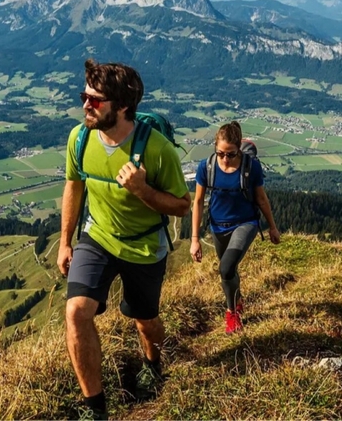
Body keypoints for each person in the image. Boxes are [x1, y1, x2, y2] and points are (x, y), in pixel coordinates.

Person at [58, 59, 190, 420]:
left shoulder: (157, 149)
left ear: (123, 107)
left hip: (144, 245)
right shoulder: (79, 138)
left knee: (145, 321)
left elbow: (181, 206)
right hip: (97, 237)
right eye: (84, 96)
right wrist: (65, 241)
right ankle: (95, 408)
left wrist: (142, 190)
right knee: (76, 312)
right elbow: (74, 185)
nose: (86, 104)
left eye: (95, 100)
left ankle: (153, 364)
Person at [189, 121, 280, 334]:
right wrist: (194, 239)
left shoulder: (251, 167)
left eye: (230, 154)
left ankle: (232, 313)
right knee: (229, 272)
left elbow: (261, 199)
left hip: (245, 223)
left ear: (239, 148)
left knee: (226, 267)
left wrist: (272, 227)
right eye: (220, 153)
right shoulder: (206, 167)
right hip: (218, 226)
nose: (225, 159)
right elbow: (198, 202)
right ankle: (237, 301)